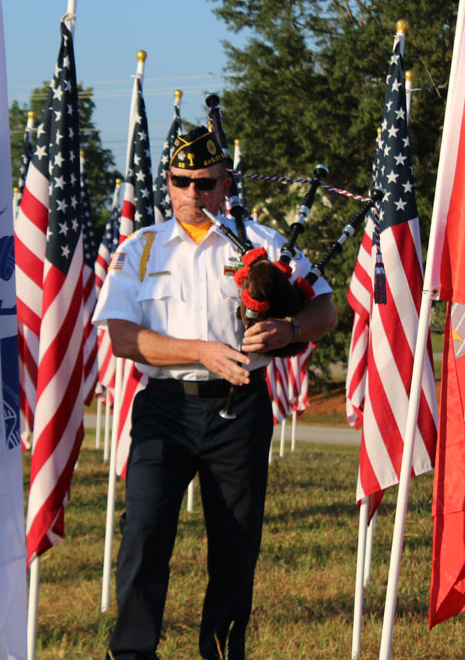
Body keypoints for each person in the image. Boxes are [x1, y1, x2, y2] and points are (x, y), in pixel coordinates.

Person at [93, 126, 338, 660]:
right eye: (182, 181)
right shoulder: (140, 248)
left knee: (234, 542)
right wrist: (199, 350)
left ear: (225, 184)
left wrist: (289, 331)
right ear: (168, 182)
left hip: (240, 407)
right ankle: (132, 653)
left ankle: (222, 651)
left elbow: (325, 307)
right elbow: (120, 336)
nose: (193, 194)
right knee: (144, 533)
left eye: (205, 183)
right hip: (166, 410)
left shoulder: (263, 244)